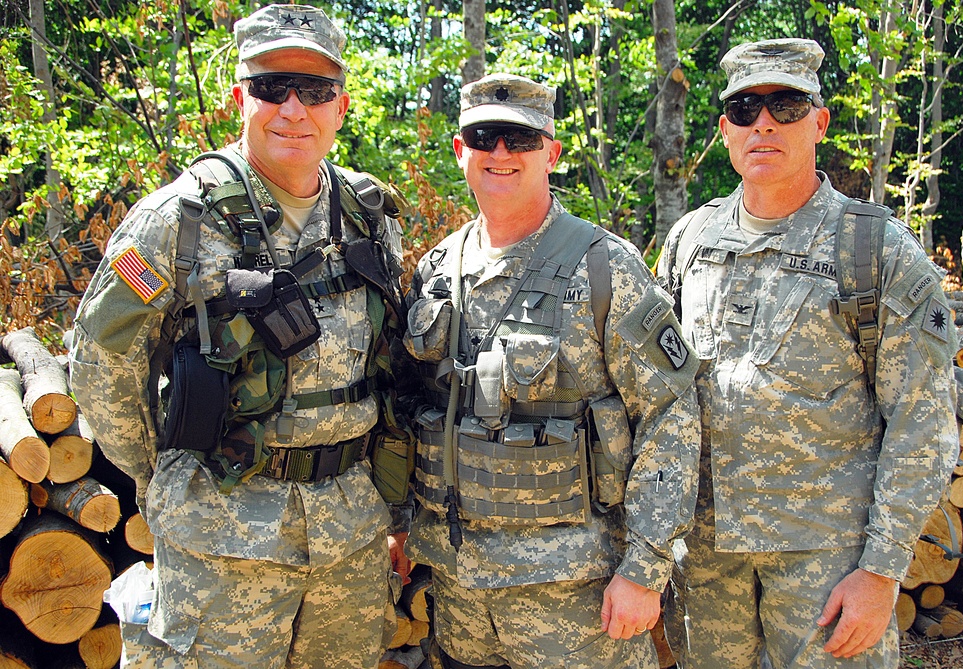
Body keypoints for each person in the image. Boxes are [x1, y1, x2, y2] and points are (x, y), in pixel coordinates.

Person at [68, 5, 413, 667]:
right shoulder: (176, 221)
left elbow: (393, 365)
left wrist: (390, 506)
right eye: (271, 87)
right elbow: (103, 361)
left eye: (314, 91)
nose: (293, 109)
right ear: (239, 98)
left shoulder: (369, 215)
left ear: (340, 106)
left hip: (349, 538)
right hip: (221, 541)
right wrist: (159, 473)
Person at [656, 38, 959, 668]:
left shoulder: (875, 251)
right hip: (708, 555)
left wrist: (880, 572)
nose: (763, 123)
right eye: (744, 109)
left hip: (828, 556)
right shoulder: (691, 240)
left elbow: (921, 425)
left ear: (819, 122)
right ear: (726, 130)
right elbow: (656, 396)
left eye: (786, 105)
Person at [402, 72, 700, 669]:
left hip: (574, 597)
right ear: (460, 150)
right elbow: (410, 413)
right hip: (461, 593)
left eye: (523, 139)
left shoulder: (603, 267)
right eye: (485, 136)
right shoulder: (437, 269)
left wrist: (644, 569)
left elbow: (672, 418)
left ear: (552, 153)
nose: (502, 153)